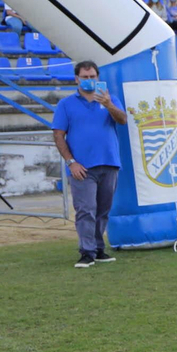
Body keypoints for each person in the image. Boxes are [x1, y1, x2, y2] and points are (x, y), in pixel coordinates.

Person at [51, 61, 127, 268]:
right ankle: (86, 252)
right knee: (86, 209)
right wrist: (71, 162)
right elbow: (58, 135)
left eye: (92, 76)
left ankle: (98, 248)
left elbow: (123, 120)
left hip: (109, 163)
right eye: (85, 77)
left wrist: (109, 103)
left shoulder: (109, 99)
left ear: (98, 77)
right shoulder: (66, 104)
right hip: (82, 166)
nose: (89, 80)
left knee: (103, 209)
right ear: (76, 79)